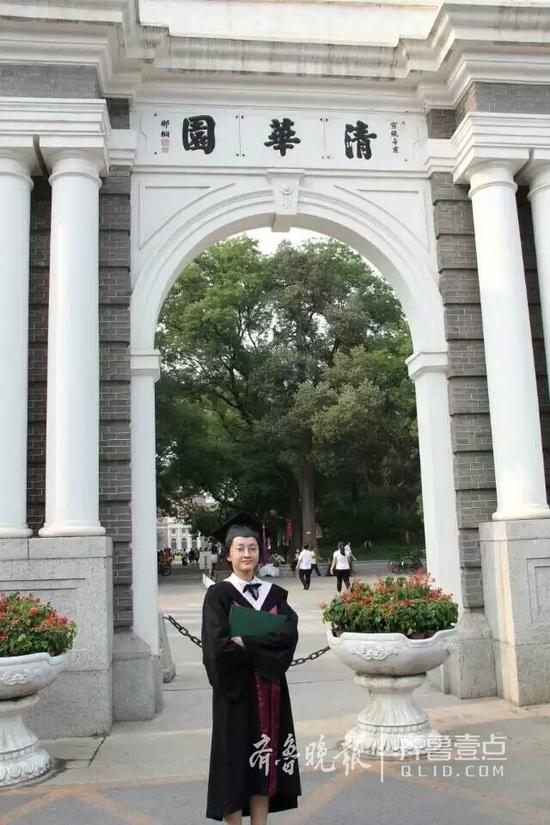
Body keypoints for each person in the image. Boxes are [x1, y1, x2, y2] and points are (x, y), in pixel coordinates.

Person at [201, 512, 301, 823]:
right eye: (240, 548)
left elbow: (288, 635)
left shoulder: (274, 595)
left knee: (264, 764)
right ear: (228, 555)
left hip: (271, 692)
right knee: (233, 767)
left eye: (253, 548)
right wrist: (263, 648)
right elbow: (217, 648)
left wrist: (246, 642)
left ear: (260, 553)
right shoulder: (218, 596)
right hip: (236, 695)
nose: (247, 554)